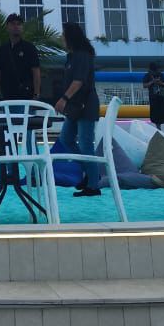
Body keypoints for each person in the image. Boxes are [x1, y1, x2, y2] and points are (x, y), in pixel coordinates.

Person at [55, 22, 101, 196]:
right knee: (66, 139)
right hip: (75, 107)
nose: (61, 37)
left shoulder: (82, 55)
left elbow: (79, 81)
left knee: (85, 144)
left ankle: (93, 185)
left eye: (63, 34)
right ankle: (90, 172)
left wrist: (64, 99)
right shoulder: (71, 57)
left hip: (86, 105)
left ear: (70, 37)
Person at [0, 13, 41, 102]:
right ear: (7, 27)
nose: (16, 27)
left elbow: (36, 72)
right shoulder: (3, 49)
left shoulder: (29, 48)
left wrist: (36, 94)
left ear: (22, 27)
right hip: (7, 96)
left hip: (26, 97)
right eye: (13, 24)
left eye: (19, 24)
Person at [143, 62, 164, 133]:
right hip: (154, 98)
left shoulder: (161, 74)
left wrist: (161, 83)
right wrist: (152, 81)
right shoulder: (147, 75)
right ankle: (159, 130)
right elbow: (144, 85)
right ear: (151, 70)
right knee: (156, 114)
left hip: (163, 96)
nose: (157, 71)